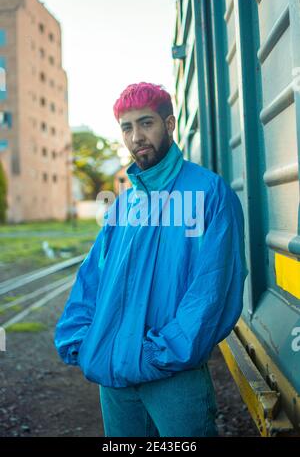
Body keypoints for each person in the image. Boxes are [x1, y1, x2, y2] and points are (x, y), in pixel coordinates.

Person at [54, 82, 248, 437]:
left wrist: (161, 353)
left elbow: (212, 289)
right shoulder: (124, 205)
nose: (136, 137)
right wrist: (84, 340)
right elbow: (92, 279)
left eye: (146, 123)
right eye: (127, 127)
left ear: (170, 124)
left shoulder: (209, 193)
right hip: (114, 376)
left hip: (173, 374)